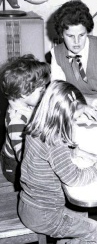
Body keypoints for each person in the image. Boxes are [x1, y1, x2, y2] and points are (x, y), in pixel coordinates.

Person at [18, 80, 97, 244]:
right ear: (64, 116)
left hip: (28, 205)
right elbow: (73, 178)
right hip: (45, 215)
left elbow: (55, 153)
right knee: (93, 230)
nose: (76, 121)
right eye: (76, 117)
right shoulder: (55, 142)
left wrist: (84, 153)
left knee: (81, 215)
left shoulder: (37, 129)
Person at [0, 54, 50, 190]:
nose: (45, 92)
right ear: (24, 92)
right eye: (41, 90)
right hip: (15, 166)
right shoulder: (16, 123)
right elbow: (26, 160)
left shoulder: (23, 102)